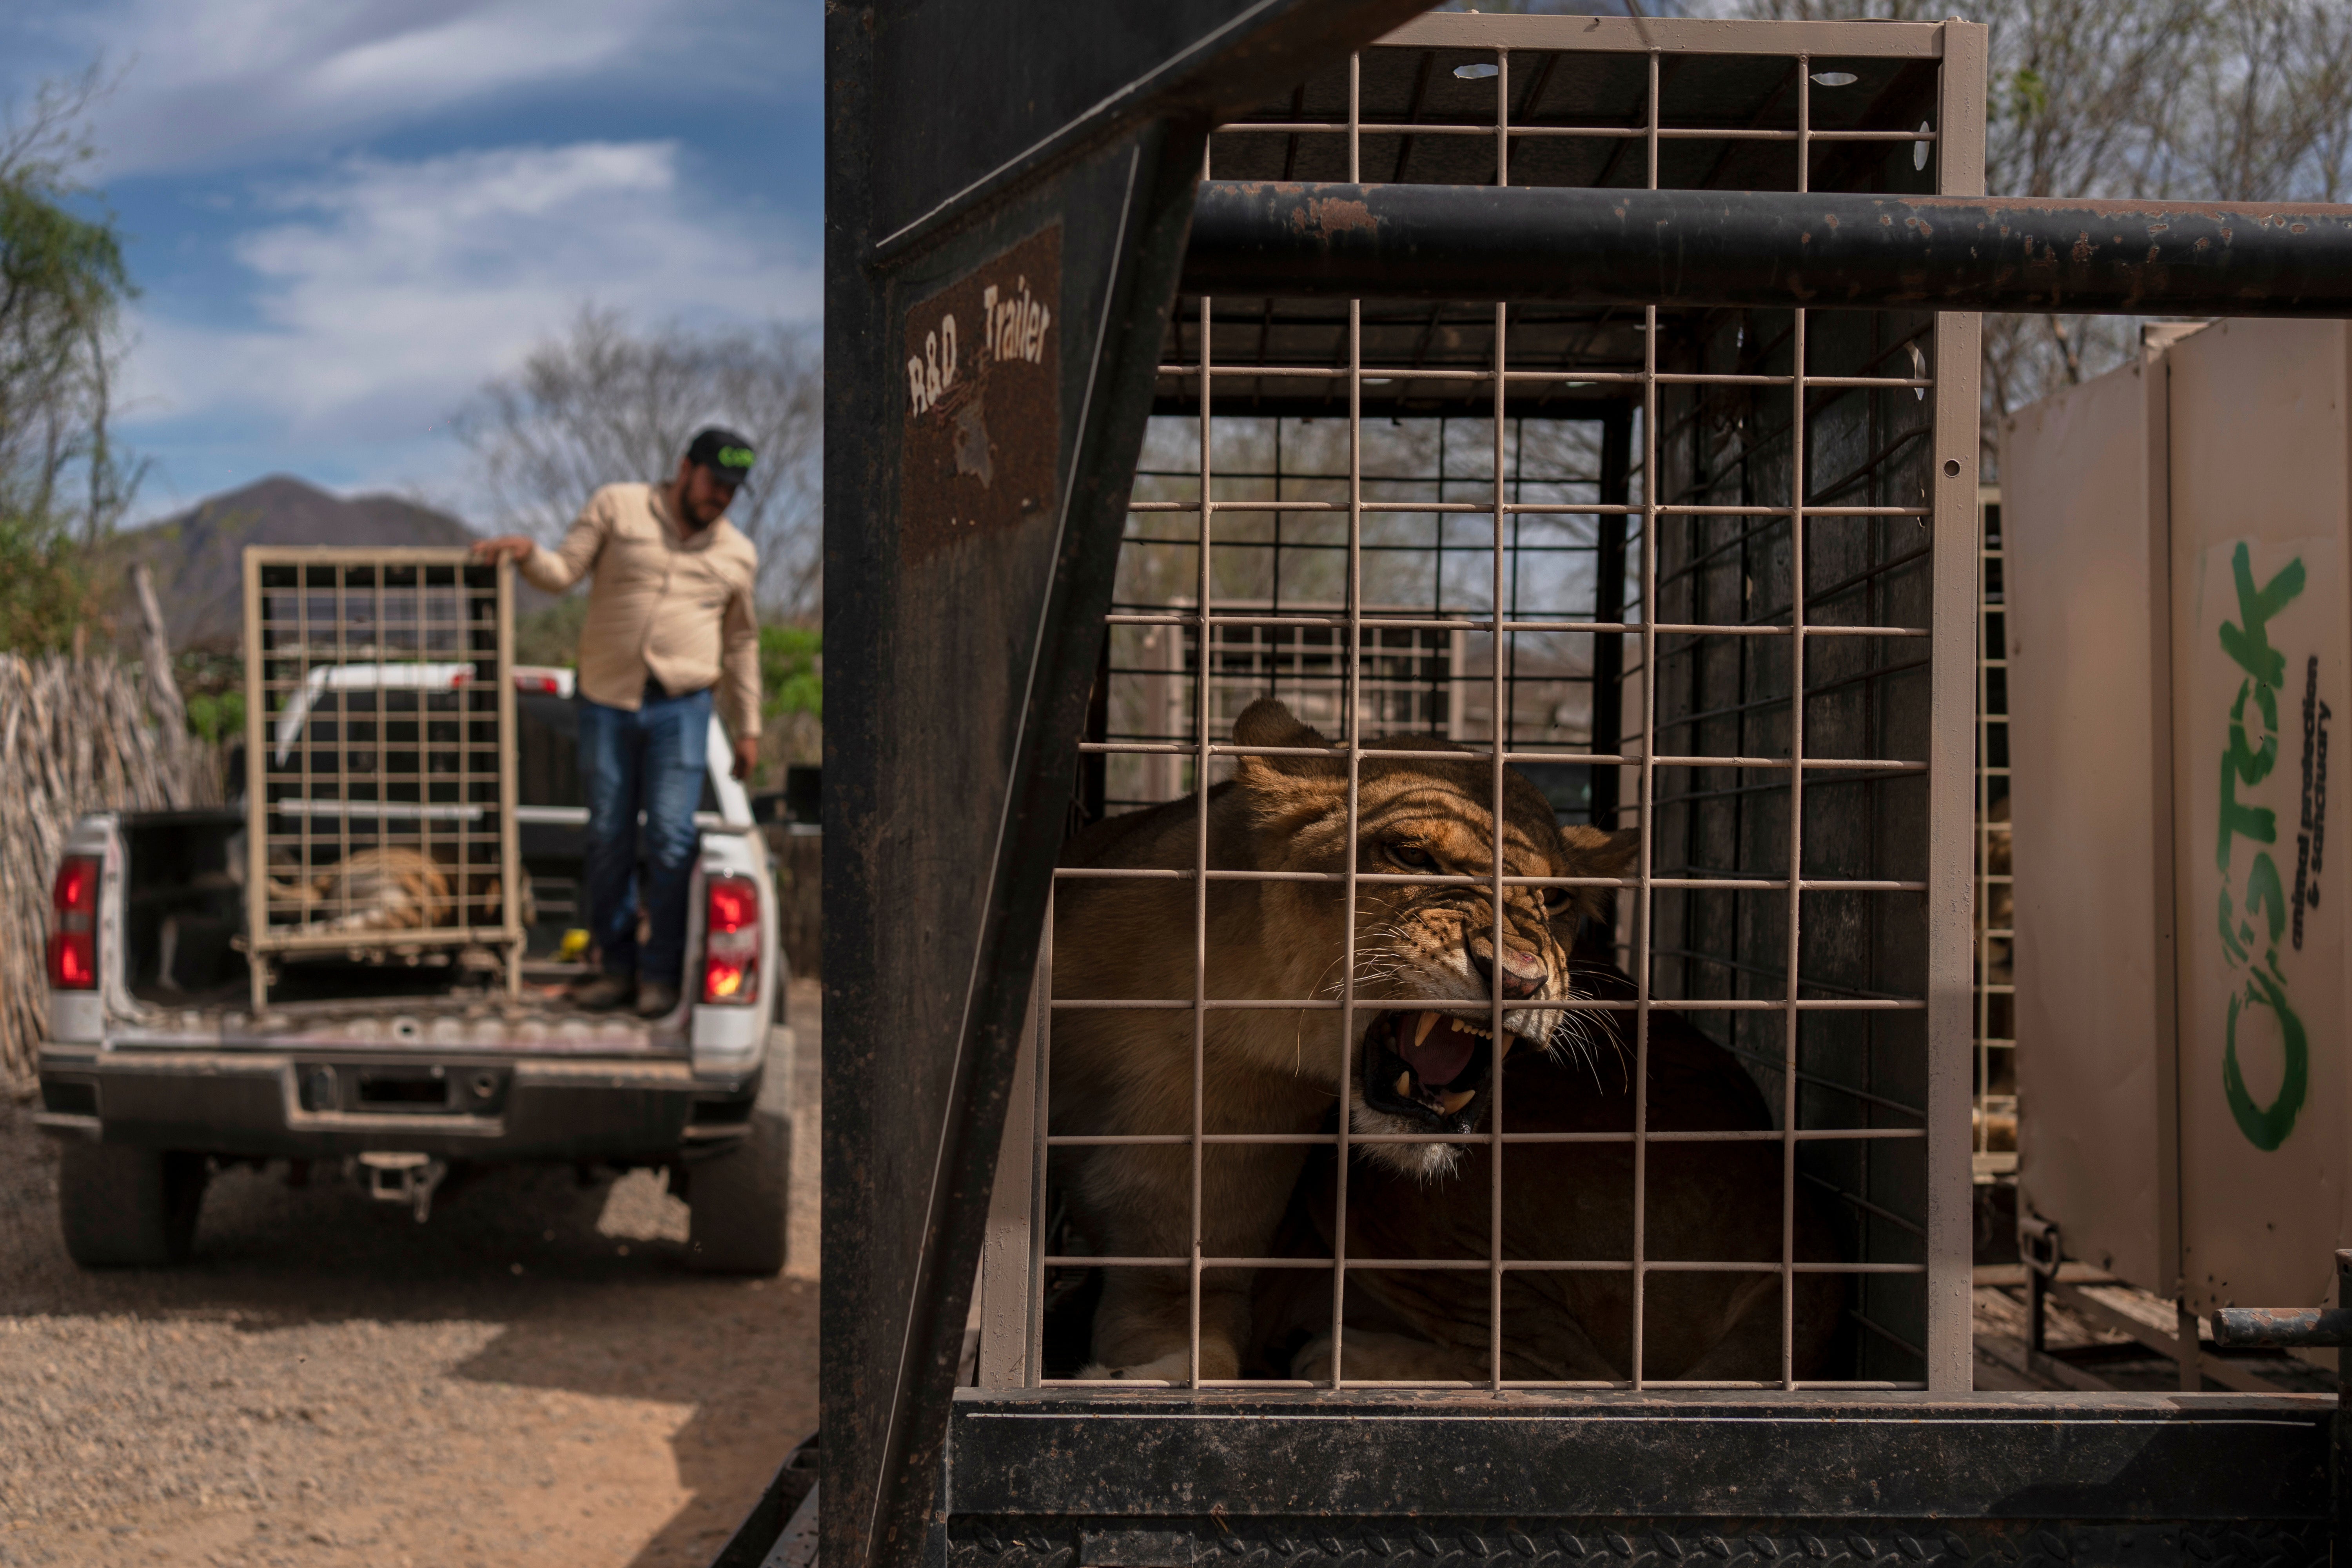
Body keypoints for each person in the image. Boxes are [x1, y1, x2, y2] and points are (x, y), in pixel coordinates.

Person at [474, 428, 762, 1018]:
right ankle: (614, 967)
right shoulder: (618, 506)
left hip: (683, 705)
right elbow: (562, 572)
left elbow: (741, 643)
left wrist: (750, 725)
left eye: (733, 490)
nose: (721, 497)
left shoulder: (738, 553)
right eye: (714, 482)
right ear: (686, 468)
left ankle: (660, 975)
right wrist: (528, 555)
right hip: (607, 699)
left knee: (672, 838)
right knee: (608, 833)